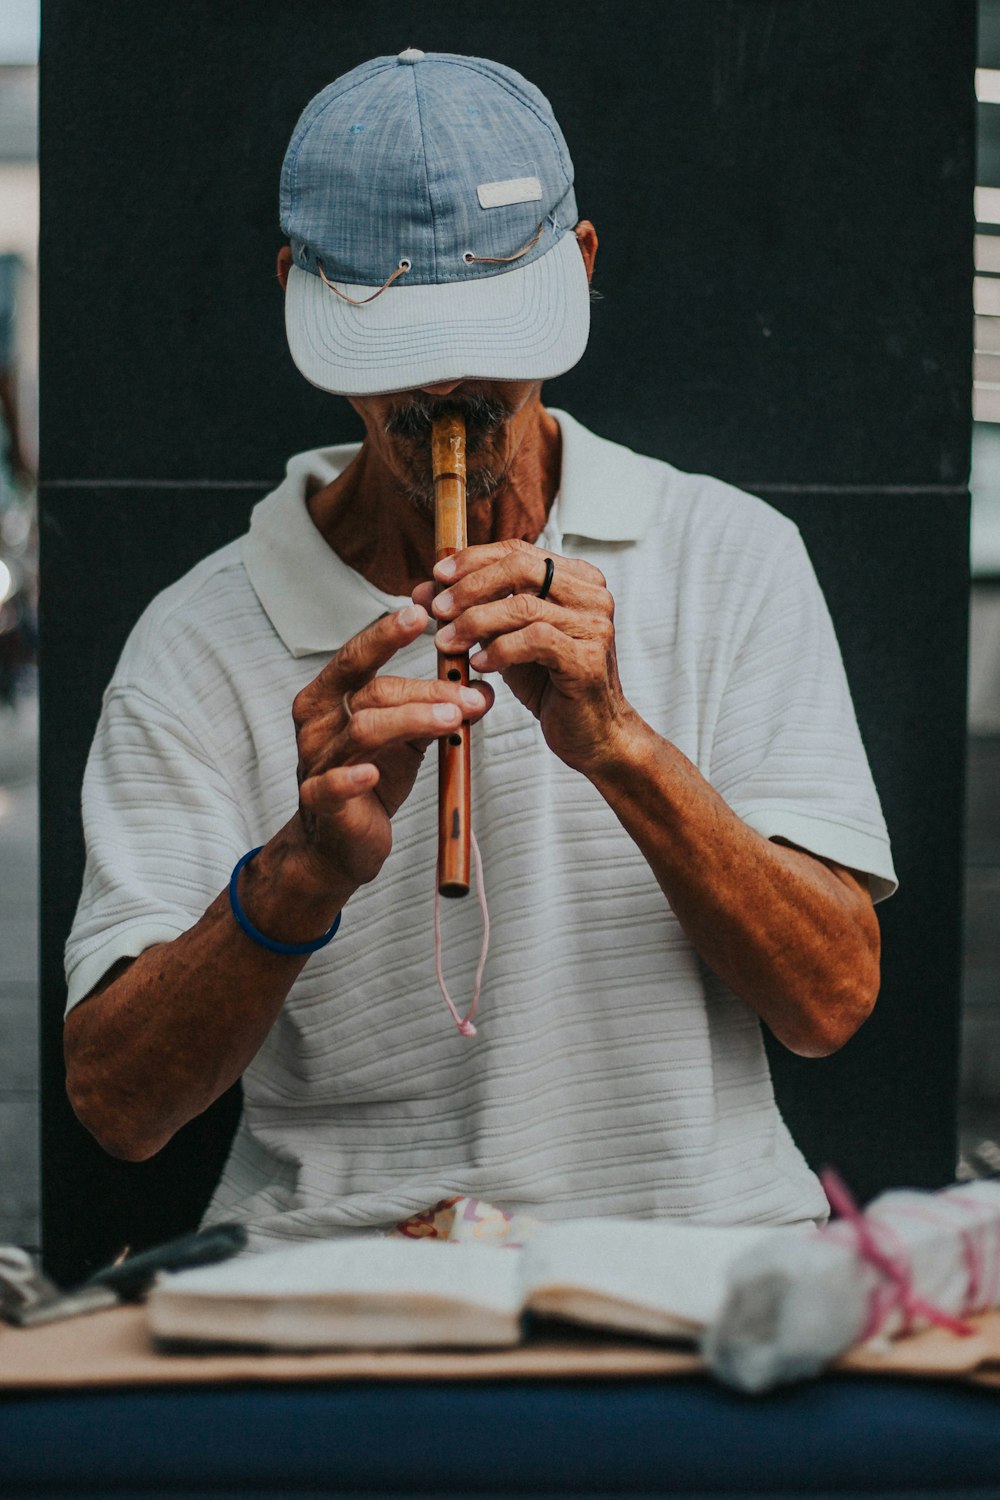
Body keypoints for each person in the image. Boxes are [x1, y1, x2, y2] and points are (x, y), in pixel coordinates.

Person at [64, 51, 896, 1251]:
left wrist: (618, 746)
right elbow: (116, 1108)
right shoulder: (198, 635)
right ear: (298, 290)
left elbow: (830, 1003)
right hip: (337, 1274)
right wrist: (300, 871)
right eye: (398, 347)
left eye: (490, 336)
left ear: (582, 270)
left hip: (699, 1259)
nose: (450, 386)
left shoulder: (733, 553)